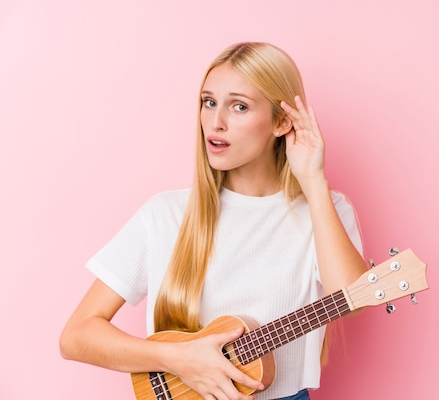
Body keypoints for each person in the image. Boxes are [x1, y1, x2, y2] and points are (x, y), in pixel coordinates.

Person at [59, 42, 368, 400]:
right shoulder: (164, 215)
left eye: (239, 106)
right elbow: (76, 336)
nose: (216, 122)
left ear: (282, 122)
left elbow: (355, 299)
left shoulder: (325, 208)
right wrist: (178, 359)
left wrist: (313, 182)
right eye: (209, 102)